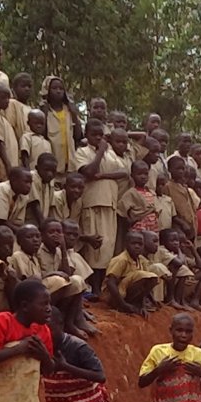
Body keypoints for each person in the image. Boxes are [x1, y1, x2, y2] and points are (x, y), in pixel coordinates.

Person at [77, 123, 129, 295]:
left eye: (101, 135)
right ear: (87, 134)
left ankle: (99, 288)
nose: (98, 138)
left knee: (107, 247)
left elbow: (125, 172)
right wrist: (100, 151)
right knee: (94, 247)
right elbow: (90, 171)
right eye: (94, 134)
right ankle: (91, 287)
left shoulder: (111, 155)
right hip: (93, 203)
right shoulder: (82, 152)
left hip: (110, 204)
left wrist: (103, 175)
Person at [105, 230, 158, 317]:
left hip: (127, 291)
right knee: (141, 275)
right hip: (114, 296)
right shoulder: (121, 259)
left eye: (140, 244)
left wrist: (143, 305)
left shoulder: (141, 260)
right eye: (133, 243)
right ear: (126, 244)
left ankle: (136, 304)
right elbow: (110, 282)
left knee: (151, 278)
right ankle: (122, 305)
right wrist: (122, 304)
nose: (137, 246)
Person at [39, 76, 81, 173]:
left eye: (61, 89)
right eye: (54, 88)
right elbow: (42, 135)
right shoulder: (44, 111)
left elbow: (78, 135)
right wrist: (44, 114)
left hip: (70, 164)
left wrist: (74, 114)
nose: (58, 91)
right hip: (52, 163)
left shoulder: (69, 111)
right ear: (47, 90)